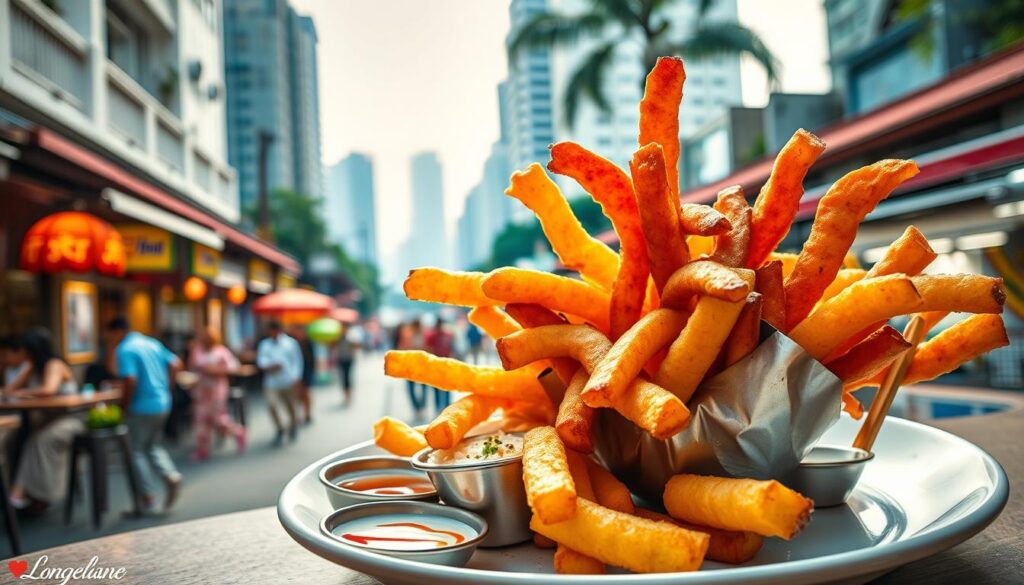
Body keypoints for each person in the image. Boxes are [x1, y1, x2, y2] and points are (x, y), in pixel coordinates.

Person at [107, 317, 183, 513]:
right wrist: (168, 388)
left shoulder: (125, 349)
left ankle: (146, 498)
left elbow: (130, 379)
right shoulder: (151, 342)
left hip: (141, 406)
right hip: (162, 402)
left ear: (116, 332)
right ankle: (170, 475)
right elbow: (175, 363)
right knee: (152, 445)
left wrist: (124, 406)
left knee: (136, 450)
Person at [7, 328, 81, 511]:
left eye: (24, 349)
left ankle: (39, 495)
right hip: (48, 421)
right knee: (20, 438)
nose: (21, 352)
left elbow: (48, 389)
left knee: (40, 440)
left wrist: (21, 393)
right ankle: (25, 493)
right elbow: (10, 390)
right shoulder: (33, 367)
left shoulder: (54, 364)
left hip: (71, 420)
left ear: (32, 349)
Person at [188, 326, 246, 461]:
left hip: (216, 389)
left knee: (218, 419)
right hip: (201, 390)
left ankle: (238, 432)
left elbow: (232, 368)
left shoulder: (221, 352)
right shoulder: (197, 351)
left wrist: (213, 370)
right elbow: (192, 366)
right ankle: (202, 449)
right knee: (201, 420)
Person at [256, 322, 302, 446]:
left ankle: (293, 425)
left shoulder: (290, 343)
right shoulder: (265, 345)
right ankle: (280, 429)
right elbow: (261, 361)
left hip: (288, 380)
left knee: (290, 406)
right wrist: (270, 366)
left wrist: (296, 377)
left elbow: (297, 361)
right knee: (272, 404)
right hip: (271, 381)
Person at [394, 319, 426, 419]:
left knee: (422, 387)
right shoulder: (408, 334)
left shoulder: (424, 334)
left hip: (420, 365)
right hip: (410, 365)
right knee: (412, 388)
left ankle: (420, 407)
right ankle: (418, 408)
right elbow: (401, 348)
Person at [425, 317, 454, 413]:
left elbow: (428, 349)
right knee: (445, 386)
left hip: (437, 363)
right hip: (444, 363)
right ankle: (445, 405)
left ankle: (440, 406)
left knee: (438, 387)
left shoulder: (433, 335)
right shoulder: (447, 334)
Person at [290, 325, 315, 424]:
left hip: (306, 369)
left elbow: (312, 358)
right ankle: (298, 414)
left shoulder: (308, 342)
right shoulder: (292, 343)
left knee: (306, 392)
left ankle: (307, 413)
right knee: (297, 393)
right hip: (296, 370)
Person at [334, 323, 362, 405]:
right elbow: (333, 346)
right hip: (341, 359)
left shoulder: (350, 337)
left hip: (349, 359)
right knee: (343, 378)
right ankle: (346, 394)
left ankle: (349, 395)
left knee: (347, 377)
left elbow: (357, 346)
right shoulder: (338, 338)